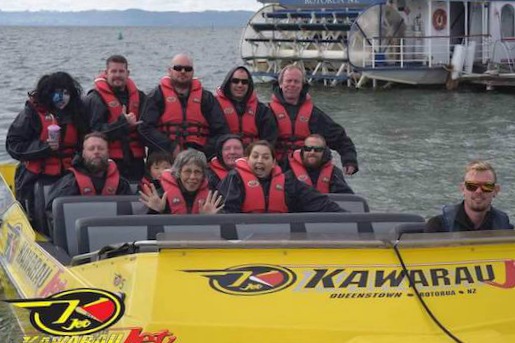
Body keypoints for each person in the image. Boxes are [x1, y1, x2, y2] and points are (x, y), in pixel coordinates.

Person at [6, 71, 89, 218]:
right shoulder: (31, 113)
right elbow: (13, 145)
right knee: (36, 213)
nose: (62, 97)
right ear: (48, 94)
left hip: (69, 175)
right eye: (57, 93)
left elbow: (88, 142)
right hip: (37, 177)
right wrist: (45, 147)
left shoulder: (78, 112)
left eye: (66, 92)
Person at [269, 64, 358, 174]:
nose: (292, 84)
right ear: (281, 84)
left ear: (302, 85)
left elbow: (339, 137)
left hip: (307, 168)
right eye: (289, 81)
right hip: (276, 168)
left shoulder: (314, 114)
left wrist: (349, 160)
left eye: (296, 82)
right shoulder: (267, 112)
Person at [139, 53, 228, 158]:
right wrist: (170, 147)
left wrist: (203, 153)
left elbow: (221, 131)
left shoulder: (206, 98)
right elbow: (144, 128)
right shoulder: (156, 96)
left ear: (193, 72)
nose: (183, 72)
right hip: (165, 157)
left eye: (187, 69)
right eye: (178, 68)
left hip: (199, 157)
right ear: (170, 71)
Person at [219, 140, 345, 213]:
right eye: (255, 156)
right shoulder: (234, 178)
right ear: (247, 159)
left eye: (266, 157)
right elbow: (226, 211)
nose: (260, 161)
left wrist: (345, 215)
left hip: (279, 237)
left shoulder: (288, 182)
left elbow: (317, 201)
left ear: (274, 163)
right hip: (243, 239)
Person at [85, 55, 146, 181]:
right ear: (106, 73)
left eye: (121, 71)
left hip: (136, 159)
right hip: (110, 159)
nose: (117, 75)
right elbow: (95, 132)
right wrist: (123, 123)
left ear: (127, 73)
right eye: (113, 71)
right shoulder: (95, 99)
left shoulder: (140, 97)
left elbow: (148, 125)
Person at [45, 132, 133, 211]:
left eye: (101, 148)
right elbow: (52, 212)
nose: (96, 152)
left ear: (108, 152)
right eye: (91, 149)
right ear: (83, 153)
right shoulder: (70, 183)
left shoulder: (121, 184)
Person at [425, 160, 513, 232]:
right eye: (472, 186)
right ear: (463, 189)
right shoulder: (438, 226)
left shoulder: (505, 228)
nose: (478, 191)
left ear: (496, 190)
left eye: (487, 186)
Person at [139, 149, 224, 214]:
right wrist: (156, 211)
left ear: (203, 175)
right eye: (187, 171)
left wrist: (212, 219)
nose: (192, 177)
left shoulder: (212, 198)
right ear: (178, 173)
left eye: (197, 172)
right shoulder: (160, 195)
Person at [215, 66, 277, 146]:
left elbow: (269, 139)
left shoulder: (262, 110)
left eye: (244, 82)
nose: (240, 85)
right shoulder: (215, 105)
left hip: (253, 155)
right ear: (228, 83)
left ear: (249, 84)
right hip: (226, 153)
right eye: (235, 81)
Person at [287, 134, 354, 194]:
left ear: (324, 152)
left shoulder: (334, 174)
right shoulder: (290, 172)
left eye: (317, 149)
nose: (312, 152)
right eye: (308, 149)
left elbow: (347, 199)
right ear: (302, 151)